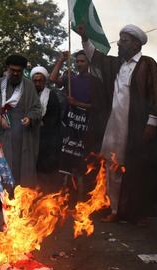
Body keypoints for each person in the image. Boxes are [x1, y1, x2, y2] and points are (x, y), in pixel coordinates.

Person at [78, 23, 157, 225]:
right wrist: (85, 38)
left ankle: (138, 213)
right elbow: (95, 57)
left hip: (137, 126)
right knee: (112, 168)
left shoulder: (147, 64)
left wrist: (152, 123)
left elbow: (156, 94)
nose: (119, 44)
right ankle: (116, 209)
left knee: (138, 170)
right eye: (119, 40)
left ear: (136, 44)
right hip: (114, 126)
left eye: (124, 41)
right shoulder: (117, 64)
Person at [50, 51, 107, 200]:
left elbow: (98, 106)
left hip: (87, 127)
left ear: (89, 63)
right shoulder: (71, 78)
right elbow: (53, 78)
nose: (79, 64)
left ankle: (82, 199)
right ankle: (64, 197)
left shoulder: (96, 82)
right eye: (77, 61)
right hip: (70, 124)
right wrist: (61, 60)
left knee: (82, 163)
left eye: (82, 61)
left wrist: (77, 103)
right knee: (66, 160)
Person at [0, 54, 42, 188]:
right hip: (3, 133)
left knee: (21, 167)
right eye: (12, 70)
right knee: (2, 163)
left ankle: (19, 198)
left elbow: (37, 108)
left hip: (22, 135)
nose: (15, 74)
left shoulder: (29, 86)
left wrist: (30, 118)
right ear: (7, 68)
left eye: (18, 71)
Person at [30, 66, 62, 193]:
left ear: (44, 81)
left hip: (47, 139)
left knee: (45, 169)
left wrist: (41, 123)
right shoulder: (28, 95)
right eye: (35, 80)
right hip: (30, 136)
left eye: (40, 80)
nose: (38, 83)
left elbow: (55, 117)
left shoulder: (51, 95)